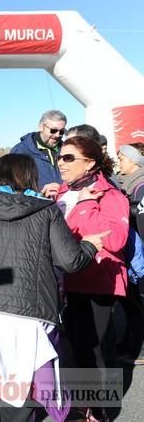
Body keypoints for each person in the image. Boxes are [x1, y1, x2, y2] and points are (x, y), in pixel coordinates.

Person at [0, 154, 107, 422]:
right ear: (31, 176)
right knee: (20, 395)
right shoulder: (46, 209)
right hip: (31, 315)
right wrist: (89, 245)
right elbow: (70, 261)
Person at [54, 136, 129, 421]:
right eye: (60, 157)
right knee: (72, 349)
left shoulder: (109, 194)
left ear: (91, 163)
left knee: (90, 352)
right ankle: (83, 405)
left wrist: (85, 206)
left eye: (69, 158)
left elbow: (118, 239)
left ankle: (98, 412)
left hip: (95, 283)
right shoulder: (63, 191)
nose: (61, 162)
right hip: (65, 282)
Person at [115, 143, 144, 361]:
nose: (118, 162)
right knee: (132, 302)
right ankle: (129, 341)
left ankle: (139, 347)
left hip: (138, 254)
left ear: (135, 161)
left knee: (136, 302)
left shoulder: (140, 186)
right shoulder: (128, 183)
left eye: (122, 158)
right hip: (132, 252)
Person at [11, 109, 67, 190]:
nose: (57, 135)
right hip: (34, 201)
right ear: (41, 127)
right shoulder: (20, 151)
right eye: (53, 130)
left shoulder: (67, 150)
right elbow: (13, 186)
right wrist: (40, 194)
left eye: (62, 132)